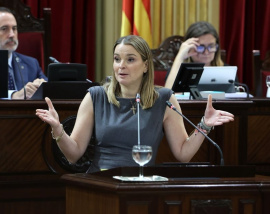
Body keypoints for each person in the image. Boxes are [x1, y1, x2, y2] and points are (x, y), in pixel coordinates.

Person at [36, 35, 234, 173]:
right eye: (117, 59)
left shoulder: (164, 99)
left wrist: (204, 125)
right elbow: (73, 155)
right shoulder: (96, 96)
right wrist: (58, 129)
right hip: (102, 182)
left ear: (146, 65)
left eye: (130, 59)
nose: (121, 65)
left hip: (143, 185)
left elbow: (183, 154)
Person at [0, 7, 47, 99]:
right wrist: (13, 95)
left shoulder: (31, 63)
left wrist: (42, 85)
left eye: (14, 28)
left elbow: (50, 88)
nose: (12, 34)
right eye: (4, 29)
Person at [165, 21, 225, 89]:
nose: (206, 52)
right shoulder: (177, 71)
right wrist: (180, 56)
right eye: (200, 47)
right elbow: (167, 95)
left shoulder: (227, 72)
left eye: (211, 46)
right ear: (190, 47)